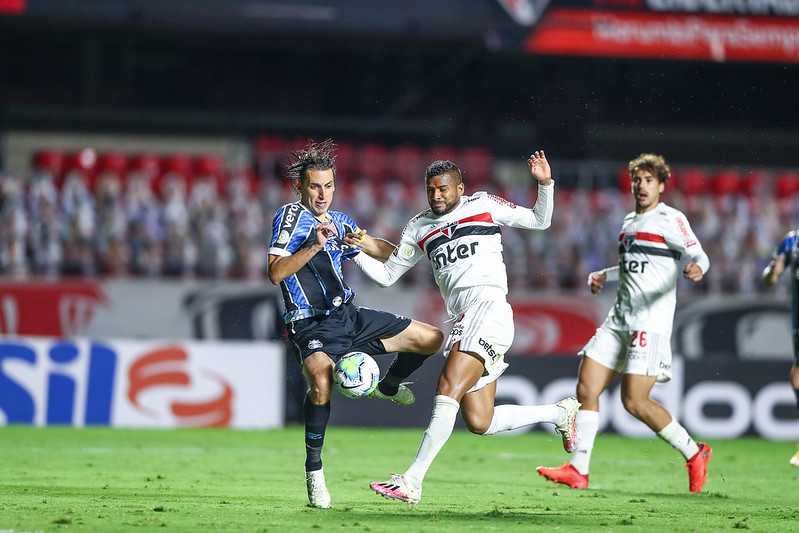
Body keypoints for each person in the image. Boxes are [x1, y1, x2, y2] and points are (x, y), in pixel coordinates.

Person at [346, 150, 580, 505]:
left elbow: (539, 220)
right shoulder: (419, 226)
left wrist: (544, 183)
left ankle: (412, 480)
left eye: (443, 189)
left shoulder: (483, 204)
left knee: (447, 386)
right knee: (480, 421)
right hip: (464, 318)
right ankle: (558, 413)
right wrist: (356, 253)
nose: (437, 196)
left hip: (488, 309)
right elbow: (388, 275)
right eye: (431, 191)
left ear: (460, 188)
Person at [267, 139, 444, 508]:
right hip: (311, 326)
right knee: (319, 381)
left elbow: (385, 252)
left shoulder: (340, 221)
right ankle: (314, 473)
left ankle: (389, 385)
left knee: (431, 338)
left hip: (348, 316)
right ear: (300, 186)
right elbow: (275, 272)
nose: (322, 193)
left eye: (328, 185)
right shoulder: (289, 218)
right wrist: (314, 246)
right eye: (314, 185)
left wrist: (381, 244)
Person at [536, 153, 713, 493]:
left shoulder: (670, 218)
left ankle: (695, 452)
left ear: (661, 185)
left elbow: (698, 253)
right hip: (619, 318)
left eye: (649, 180)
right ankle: (579, 470)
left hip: (650, 321)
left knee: (634, 402)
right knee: (587, 386)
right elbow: (637, 266)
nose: (641, 185)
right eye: (637, 180)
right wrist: (607, 274)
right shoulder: (629, 221)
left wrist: (698, 267)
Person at [761, 231, 799, 467]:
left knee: (796, 377)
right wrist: (772, 272)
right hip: (797, 323)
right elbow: (769, 278)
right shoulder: (792, 241)